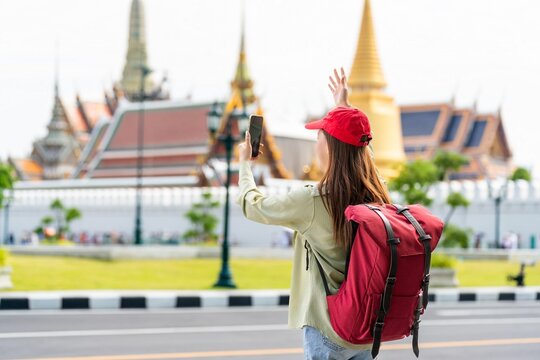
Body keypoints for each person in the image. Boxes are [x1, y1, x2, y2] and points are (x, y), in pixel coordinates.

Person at [237, 68, 391, 360]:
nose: (316, 142)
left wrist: (245, 165)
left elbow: (251, 204)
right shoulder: (378, 194)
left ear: (329, 147)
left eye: (320, 136)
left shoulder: (313, 201)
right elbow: (361, 150)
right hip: (366, 329)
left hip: (328, 328)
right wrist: (343, 109)